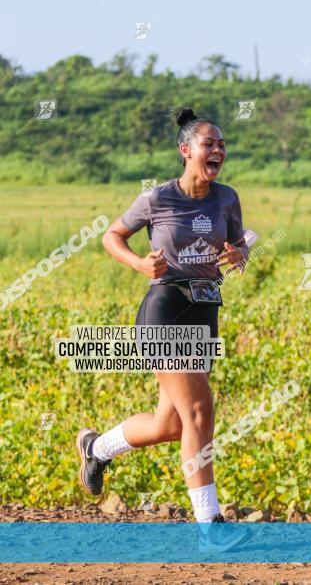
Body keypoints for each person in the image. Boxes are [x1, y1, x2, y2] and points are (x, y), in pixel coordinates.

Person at [76, 108, 249, 550]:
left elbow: (237, 242)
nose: (218, 151)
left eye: (222, 144)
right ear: (185, 150)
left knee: (170, 424)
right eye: (209, 144)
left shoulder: (227, 197)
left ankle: (98, 449)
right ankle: (210, 525)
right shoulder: (157, 198)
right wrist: (138, 262)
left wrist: (239, 254)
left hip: (206, 307)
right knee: (199, 413)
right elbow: (112, 235)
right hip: (166, 306)